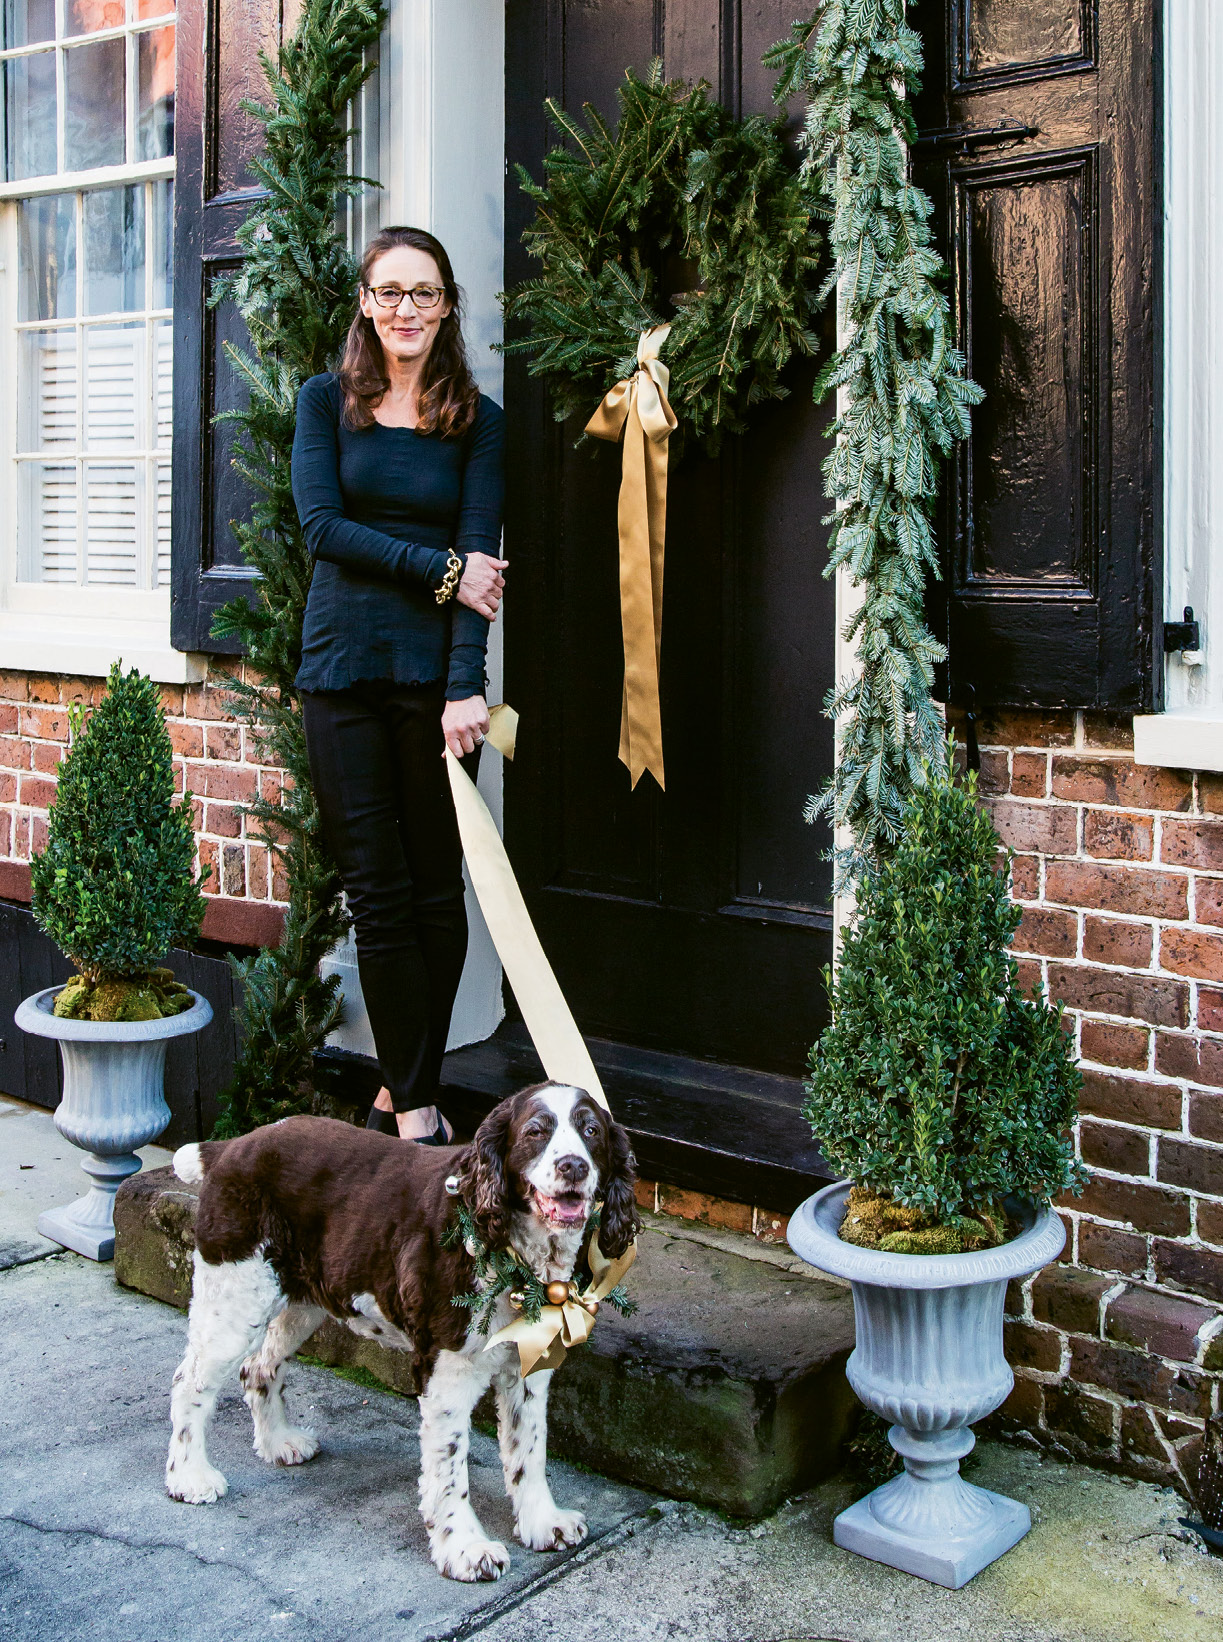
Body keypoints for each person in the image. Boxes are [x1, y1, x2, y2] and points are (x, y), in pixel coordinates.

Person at [291, 226, 506, 1141]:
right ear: (366, 306)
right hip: (339, 671)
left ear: (446, 305)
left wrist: (468, 686)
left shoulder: (478, 421)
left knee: (435, 890)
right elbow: (323, 529)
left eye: (423, 293)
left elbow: (482, 565)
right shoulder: (322, 404)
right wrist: (440, 570)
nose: (406, 310)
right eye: (389, 293)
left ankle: (399, 1092)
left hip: (433, 685)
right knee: (376, 891)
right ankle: (417, 1109)